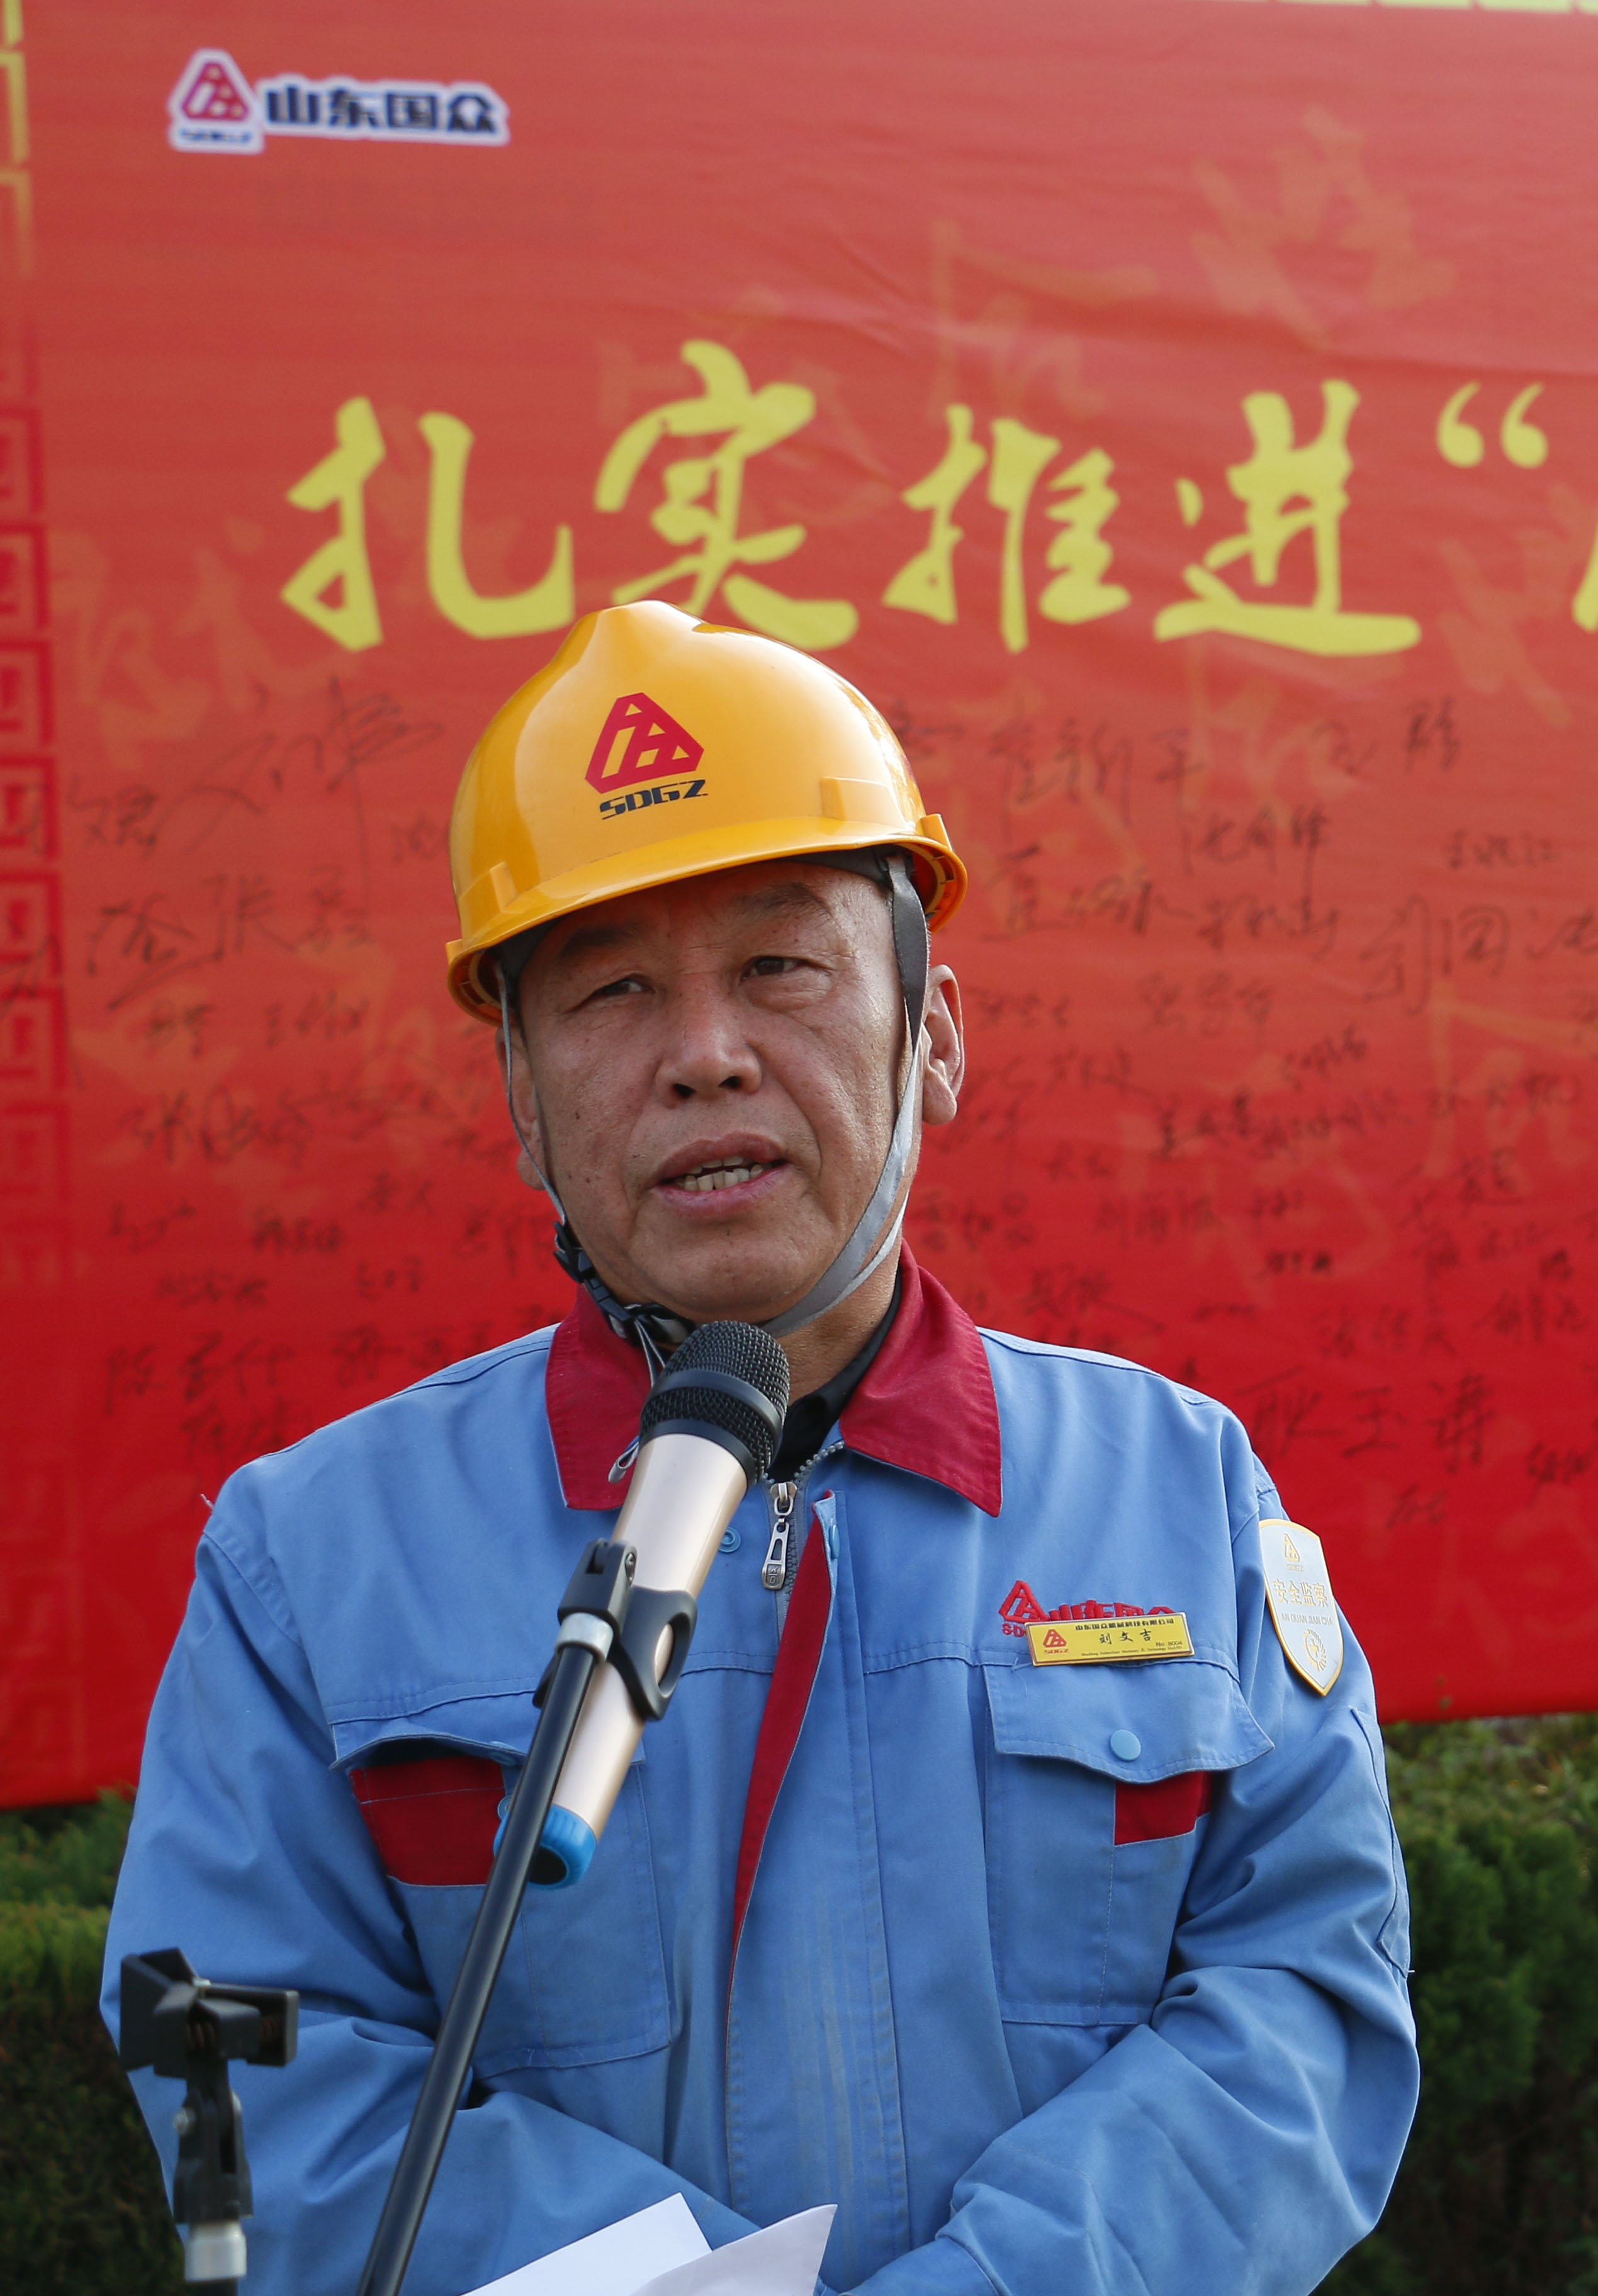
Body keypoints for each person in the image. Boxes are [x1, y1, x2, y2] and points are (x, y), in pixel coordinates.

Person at [101, 601, 1418, 2295]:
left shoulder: (1179, 1493)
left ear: (933, 1033)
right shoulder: (311, 1564)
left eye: (782, 967)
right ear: (522, 1097)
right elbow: (251, 2068)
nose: (704, 1054)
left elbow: (1300, 2002)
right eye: (613, 990)